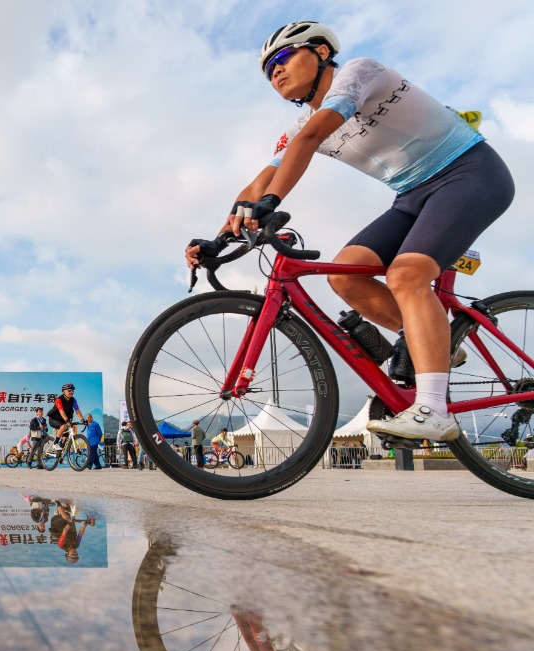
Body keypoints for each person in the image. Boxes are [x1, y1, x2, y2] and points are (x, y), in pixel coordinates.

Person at [188, 21, 514, 443]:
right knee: (345, 274)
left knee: (406, 275)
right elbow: (256, 186)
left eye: (283, 59)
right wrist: (219, 236)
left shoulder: (358, 73)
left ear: (322, 51)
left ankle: (434, 409)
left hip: (470, 173)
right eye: (268, 72)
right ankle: (432, 343)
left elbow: (313, 136)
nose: (276, 74)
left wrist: (272, 203)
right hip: (411, 196)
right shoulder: (297, 127)